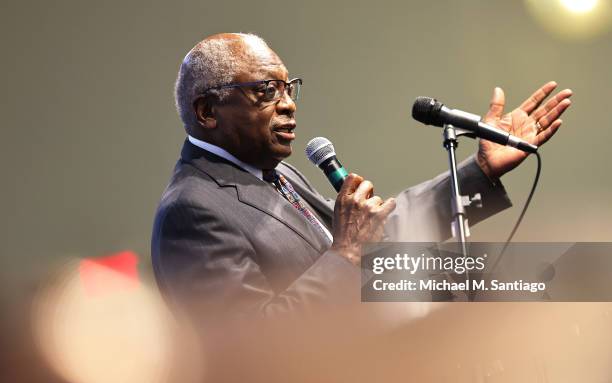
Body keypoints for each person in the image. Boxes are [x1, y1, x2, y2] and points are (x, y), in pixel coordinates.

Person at [151, 33, 571, 321]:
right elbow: (251, 345)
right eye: (266, 91)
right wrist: (346, 254)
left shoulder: (276, 174)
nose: (288, 105)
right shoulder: (192, 211)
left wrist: (478, 173)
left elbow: (378, 238)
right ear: (208, 111)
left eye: (288, 88)